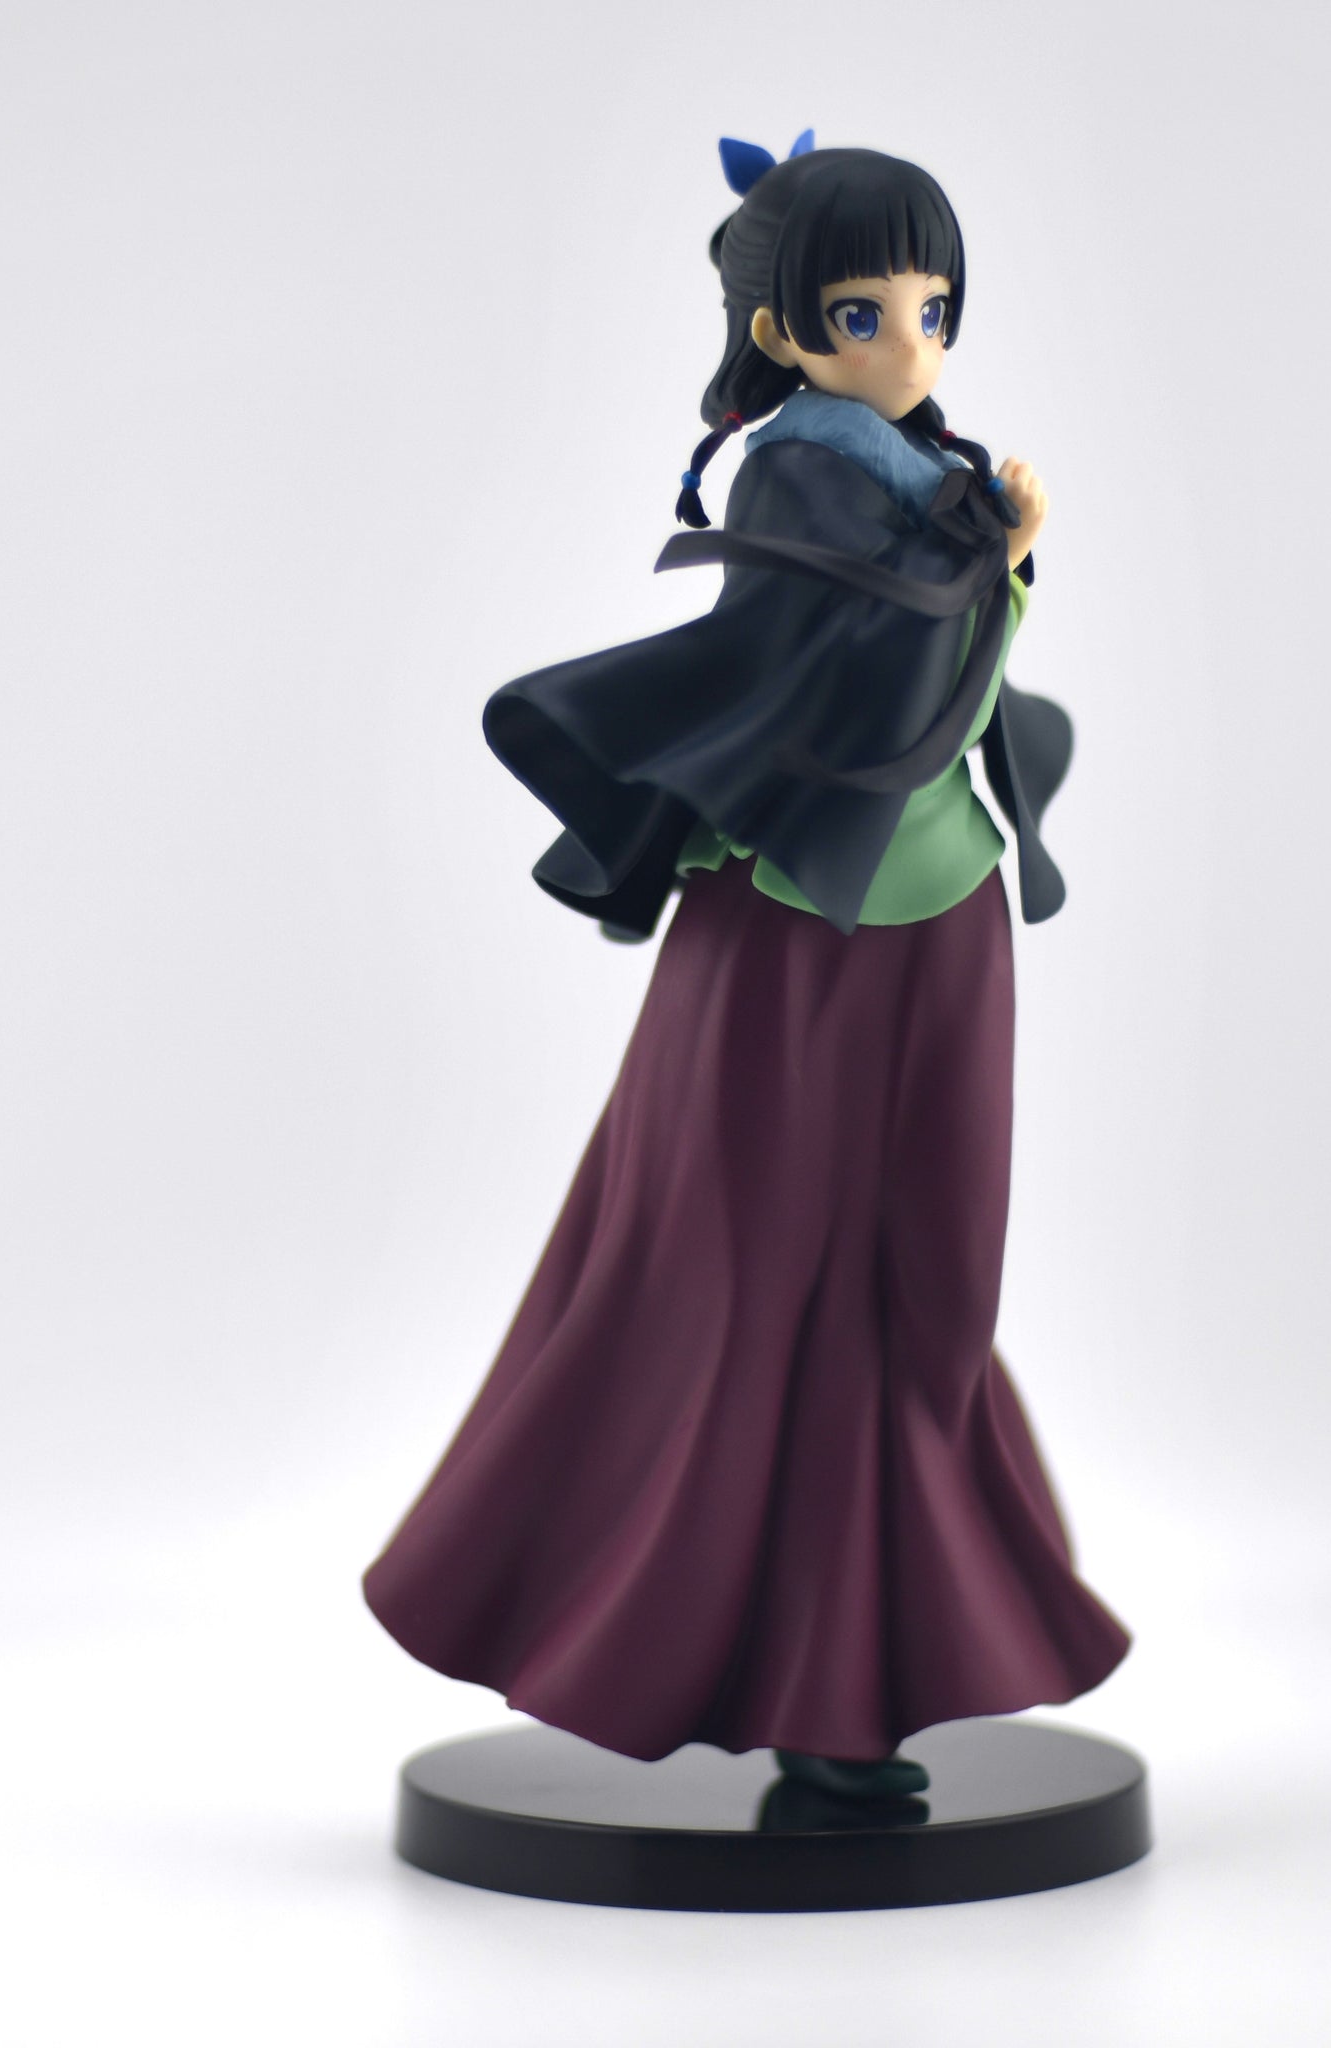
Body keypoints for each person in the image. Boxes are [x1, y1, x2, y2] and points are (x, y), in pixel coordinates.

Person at [363, 135, 1130, 1803]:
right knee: (758, 1275)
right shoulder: (800, 475)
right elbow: (868, 667)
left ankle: (884, 1649)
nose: (909, 342)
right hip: (799, 916)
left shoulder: (925, 464)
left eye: (932, 308)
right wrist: (989, 559)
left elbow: (955, 671)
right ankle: (806, 1688)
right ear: (783, 331)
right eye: (864, 313)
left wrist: (998, 556)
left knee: (932, 1283)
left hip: (940, 900)